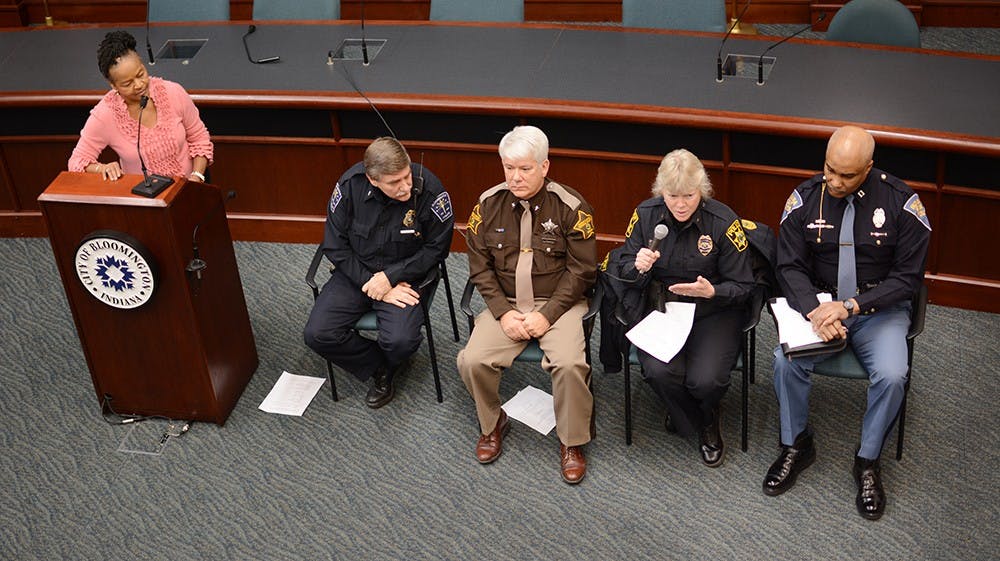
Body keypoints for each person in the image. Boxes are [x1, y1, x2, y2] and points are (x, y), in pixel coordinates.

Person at [762, 126, 931, 520]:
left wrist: (851, 307)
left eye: (847, 175)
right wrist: (814, 310)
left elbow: (907, 280)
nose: (834, 182)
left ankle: (868, 461)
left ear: (869, 168)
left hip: (877, 309)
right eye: (829, 169)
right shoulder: (804, 198)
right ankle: (796, 444)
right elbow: (788, 264)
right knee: (785, 360)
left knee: (892, 374)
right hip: (819, 305)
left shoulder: (903, 204)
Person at [457, 125, 597, 484]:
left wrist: (546, 316)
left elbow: (582, 272)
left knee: (568, 364)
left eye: (524, 169)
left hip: (558, 302)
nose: (515, 177)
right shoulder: (487, 205)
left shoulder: (571, 207)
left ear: (544, 166)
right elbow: (479, 269)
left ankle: (572, 441)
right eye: (508, 168)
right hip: (505, 301)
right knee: (471, 360)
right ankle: (492, 423)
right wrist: (503, 314)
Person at [611, 149, 753, 467]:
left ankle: (698, 411)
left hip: (712, 309)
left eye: (688, 196)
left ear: (701, 189)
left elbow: (744, 286)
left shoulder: (723, 221)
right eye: (672, 196)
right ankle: (704, 421)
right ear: (661, 191)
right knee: (659, 372)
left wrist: (713, 290)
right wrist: (638, 266)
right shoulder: (646, 215)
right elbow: (622, 271)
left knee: (706, 380)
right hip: (663, 307)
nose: (680, 204)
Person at [303, 137, 454, 408]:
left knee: (400, 341)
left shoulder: (429, 190)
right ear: (374, 180)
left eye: (407, 176)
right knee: (318, 334)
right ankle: (380, 368)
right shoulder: (350, 187)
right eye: (395, 182)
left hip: (407, 275)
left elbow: (436, 250)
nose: (406, 186)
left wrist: (390, 278)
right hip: (356, 273)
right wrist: (371, 282)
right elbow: (335, 245)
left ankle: (391, 361)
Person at [68, 30, 212, 184]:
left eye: (140, 74)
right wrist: (101, 168)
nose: (139, 85)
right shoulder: (105, 114)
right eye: (127, 84)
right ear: (113, 85)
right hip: (144, 201)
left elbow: (199, 139)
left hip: (189, 189)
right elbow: (77, 161)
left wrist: (197, 176)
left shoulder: (173, 92)